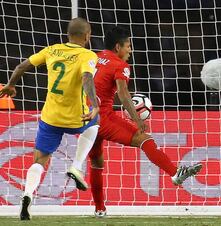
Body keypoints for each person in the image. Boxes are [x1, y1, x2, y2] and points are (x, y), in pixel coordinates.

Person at [88, 26, 202, 218]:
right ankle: (175, 173)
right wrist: (136, 119)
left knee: (97, 162)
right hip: (103, 118)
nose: (130, 50)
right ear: (118, 47)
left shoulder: (94, 57)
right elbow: (123, 94)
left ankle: (100, 209)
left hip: (84, 118)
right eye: (128, 46)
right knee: (143, 138)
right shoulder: (120, 65)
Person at [0, 18, 100, 220]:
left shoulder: (51, 50)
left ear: (68, 34)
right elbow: (87, 78)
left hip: (50, 117)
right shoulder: (87, 55)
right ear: (87, 36)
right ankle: (76, 166)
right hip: (75, 117)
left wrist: (10, 84)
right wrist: (95, 104)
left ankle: (27, 194)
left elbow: (21, 66)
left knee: (40, 160)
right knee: (96, 123)